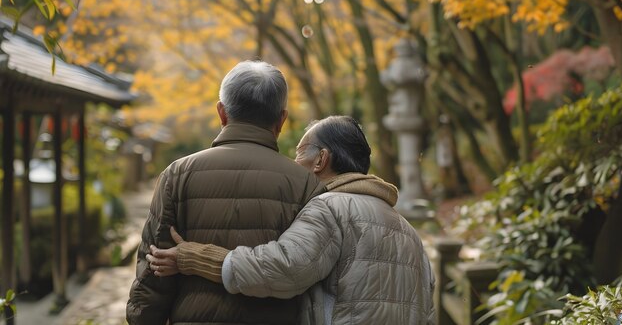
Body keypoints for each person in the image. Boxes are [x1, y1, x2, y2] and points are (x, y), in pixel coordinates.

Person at [148, 115, 436, 325]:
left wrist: (196, 257)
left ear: (321, 159)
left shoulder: (331, 209)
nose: (293, 161)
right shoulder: (407, 229)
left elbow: (282, 269)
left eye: (299, 152)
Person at [126, 60, 326, 325]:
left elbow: (154, 267)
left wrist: (143, 318)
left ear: (222, 113)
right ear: (281, 120)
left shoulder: (178, 174)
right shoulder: (306, 184)